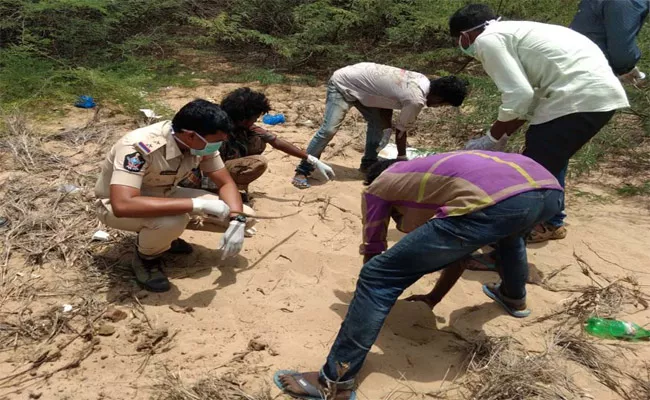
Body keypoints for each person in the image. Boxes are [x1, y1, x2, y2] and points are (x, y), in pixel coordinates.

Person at [274, 151, 563, 399]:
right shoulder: (434, 178)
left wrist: (374, 299)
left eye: (396, 217)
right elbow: (460, 251)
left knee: (377, 276)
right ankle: (513, 298)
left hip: (498, 201)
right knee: (511, 237)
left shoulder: (379, 187)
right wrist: (433, 297)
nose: (398, 222)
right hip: (547, 191)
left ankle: (334, 382)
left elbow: (375, 254)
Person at [450, 3, 629, 243]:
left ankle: (508, 246)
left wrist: (490, 138)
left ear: (465, 35)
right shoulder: (518, 31)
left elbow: (519, 96)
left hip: (576, 98)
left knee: (529, 173)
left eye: (458, 41)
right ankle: (551, 222)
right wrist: (503, 136)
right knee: (550, 156)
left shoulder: (487, 40)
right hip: (598, 97)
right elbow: (529, 99)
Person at [94, 99, 255, 293]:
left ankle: (164, 239)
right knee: (172, 221)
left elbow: (225, 182)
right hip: (115, 205)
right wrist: (196, 205)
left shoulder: (201, 142)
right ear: (189, 135)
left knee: (247, 215)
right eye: (215, 142)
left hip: (166, 194)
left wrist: (237, 219)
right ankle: (147, 259)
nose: (217, 147)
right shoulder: (139, 146)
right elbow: (123, 204)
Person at [292, 62, 468, 189]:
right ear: (439, 97)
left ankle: (368, 163)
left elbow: (386, 102)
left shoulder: (423, 80)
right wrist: (401, 160)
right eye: (443, 104)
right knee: (329, 129)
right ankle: (303, 169)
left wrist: (386, 128)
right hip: (343, 84)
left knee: (379, 128)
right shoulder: (416, 98)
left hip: (364, 88)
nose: (438, 107)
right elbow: (401, 131)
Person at [180, 88, 334, 201]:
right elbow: (201, 163)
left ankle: (223, 189)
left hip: (215, 166)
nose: (256, 120)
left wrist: (311, 159)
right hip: (195, 177)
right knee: (257, 163)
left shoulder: (241, 125)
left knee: (258, 141)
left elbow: (275, 141)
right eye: (255, 117)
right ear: (243, 118)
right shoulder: (216, 129)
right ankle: (215, 191)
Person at [570, 0, 648, 83]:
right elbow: (621, 51)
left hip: (571, 56)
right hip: (590, 69)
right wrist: (626, 68)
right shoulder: (629, 2)